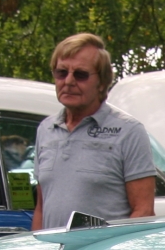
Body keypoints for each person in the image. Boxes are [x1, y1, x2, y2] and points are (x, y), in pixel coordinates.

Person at [31, 32, 156, 230]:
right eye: (61, 72)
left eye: (80, 75)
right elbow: (41, 208)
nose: (69, 81)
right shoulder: (46, 130)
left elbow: (143, 212)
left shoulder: (129, 131)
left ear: (102, 83)